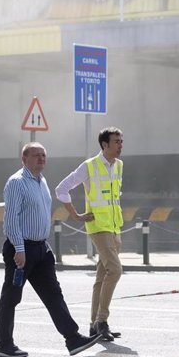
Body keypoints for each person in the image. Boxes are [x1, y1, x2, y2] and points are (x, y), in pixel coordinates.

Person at [0, 142, 101, 357]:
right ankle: (5, 345)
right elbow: (11, 220)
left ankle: (72, 339)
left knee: (54, 294)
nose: (41, 159)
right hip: (22, 249)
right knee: (12, 297)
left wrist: (44, 245)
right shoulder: (17, 183)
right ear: (24, 159)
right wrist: (19, 248)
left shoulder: (41, 180)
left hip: (41, 250)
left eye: (44, 155)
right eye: (36, 156)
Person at [55, 127, 124, 342]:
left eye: (121, 141)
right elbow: (61, 189)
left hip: (114, 227)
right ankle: (102, 321)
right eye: (116, 142)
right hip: (98, 228)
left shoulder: (119, 166)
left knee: (102, 277)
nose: (120, 145)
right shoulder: (90, 166)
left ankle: (94, 326)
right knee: (115, 270)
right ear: (104, 145)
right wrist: (75, 215)